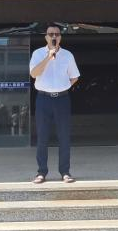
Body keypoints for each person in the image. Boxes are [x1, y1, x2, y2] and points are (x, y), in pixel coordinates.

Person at [29, 23, 80, 184]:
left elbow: (74, 77)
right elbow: (34, 74)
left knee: (64, 136)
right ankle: (41, 172)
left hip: (62, 100)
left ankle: (65, 172)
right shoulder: (38, 53)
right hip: (43, 99)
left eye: (56, 34)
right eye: (50, 34)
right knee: (42, 137)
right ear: (46, 37)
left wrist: (62, 87)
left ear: (60, 37)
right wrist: (49, 56)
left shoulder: (67, 55)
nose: (54, 36)